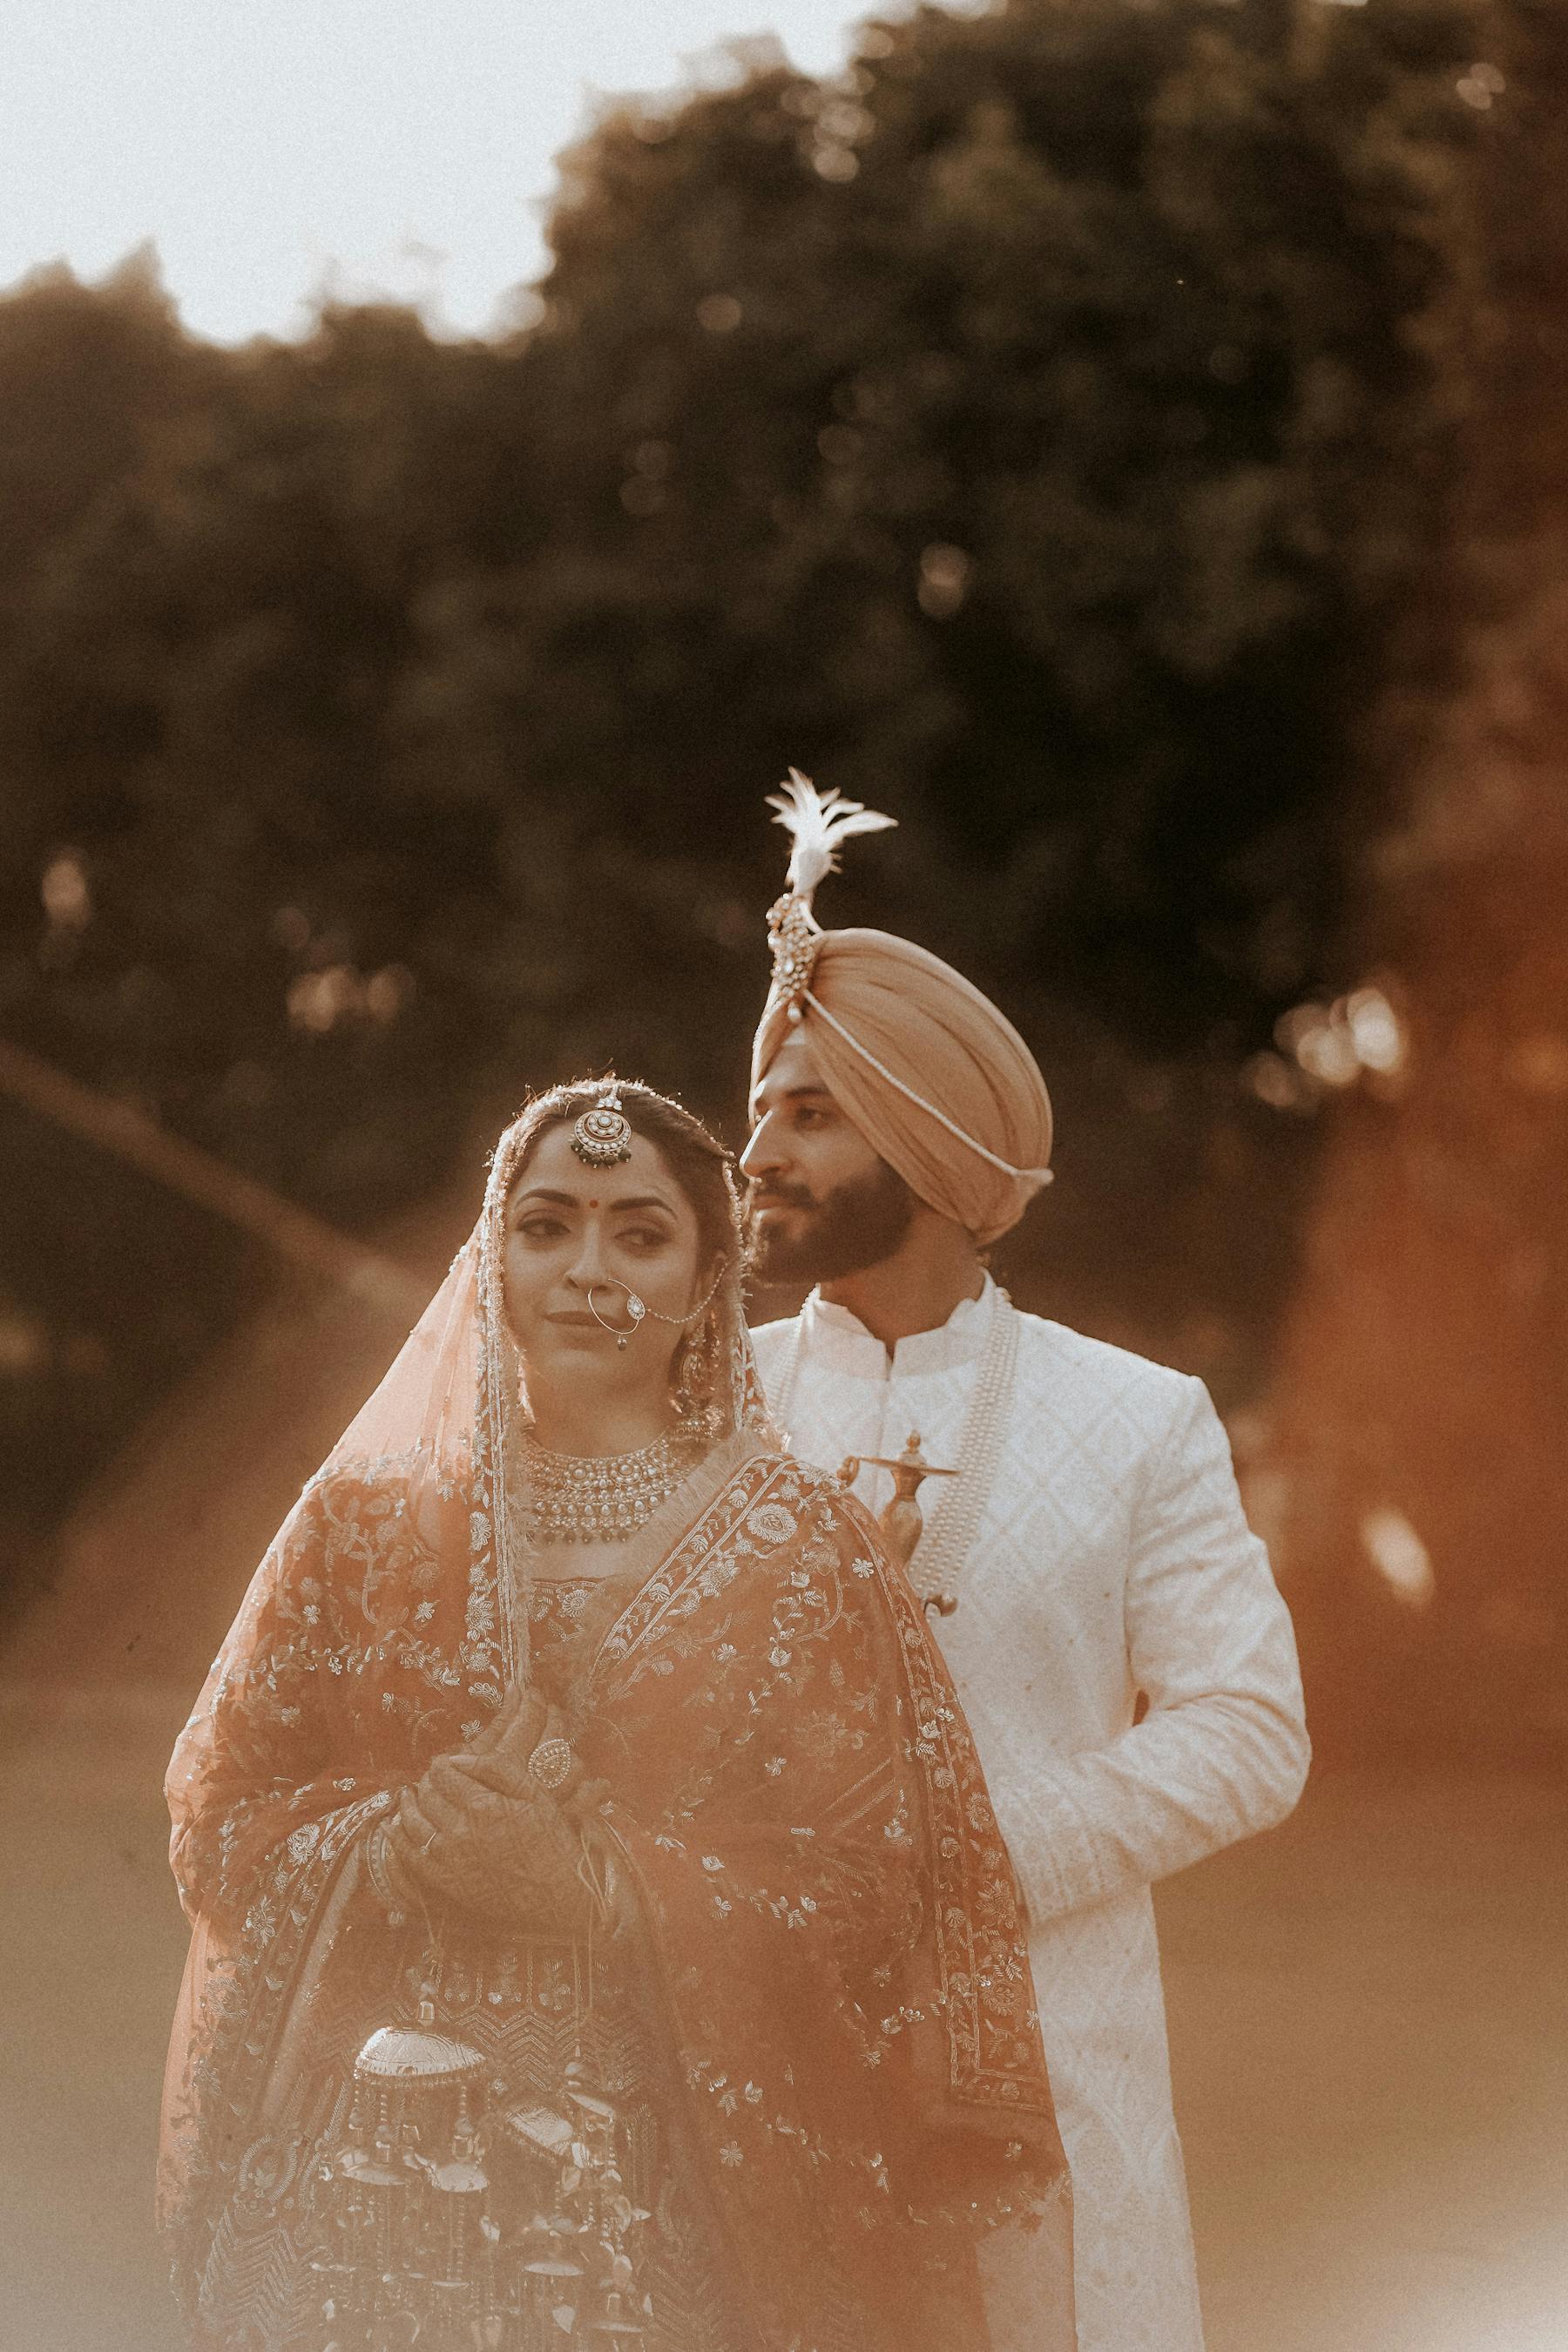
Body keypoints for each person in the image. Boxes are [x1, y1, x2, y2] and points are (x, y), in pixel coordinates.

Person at [159, 1078, 1075, 2352]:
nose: (588, 1270)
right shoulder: (362, 1525)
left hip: (672, 2213)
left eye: (639, 1236)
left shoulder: (807, 1554)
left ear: (708, 1281)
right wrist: (393, 1846)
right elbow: (220, 1812)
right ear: (496, 1259)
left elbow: (886, 1892)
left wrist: (603, 1890)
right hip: (377, 2195)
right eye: (547, 1228)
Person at [743, 776, 1311, 2352]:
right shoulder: (699, 1406)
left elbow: (1251, 1729)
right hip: (746, 2077)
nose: (754, 1152)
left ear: (924, 1145)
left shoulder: (1137, 1418)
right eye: (760, 1111)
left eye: (807, 1114)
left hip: (1051, 2081)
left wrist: (978, 1858)